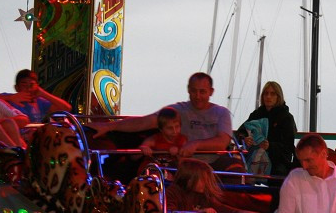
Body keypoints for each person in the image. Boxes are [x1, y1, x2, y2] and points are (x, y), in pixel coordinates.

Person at [94, 72, 241, 171]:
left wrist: (195, 144)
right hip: (181, 163)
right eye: (194, 91)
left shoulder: (222, 113)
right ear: (188, 90)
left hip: (213, 162)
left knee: (236, 167)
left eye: (202, 92)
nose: (197, 96)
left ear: (211, 92)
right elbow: (146, 122)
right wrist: (109, 126)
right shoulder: (178, 110)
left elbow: (222, 142)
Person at [165, 158, 258, 213]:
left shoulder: (199, 195)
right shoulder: (172, 193)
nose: (206, 183)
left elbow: (220, 208)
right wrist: (199, 212)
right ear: (189, 179)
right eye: (203, 179)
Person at [240, 81, 298, 179]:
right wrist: (245, 139)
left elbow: (288, 146)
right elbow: (241, 132)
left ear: (278, 97)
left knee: (278, 173)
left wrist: (270, 146)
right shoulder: (256, 114)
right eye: (266, 93)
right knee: (238, 168)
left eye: (272, 94)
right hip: (254, 157)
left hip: (277, 160)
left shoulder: (286, 117)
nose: (268, 97)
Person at [0, 69, 71, 123]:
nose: (28, 88)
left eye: (32, 85)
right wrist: (10, 98)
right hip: (19, 138)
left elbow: (66, 108)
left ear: (37, 86)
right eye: (24, 85)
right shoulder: (11, 99)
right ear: (17, 87)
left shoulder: (40, 101)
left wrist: (43, 93)